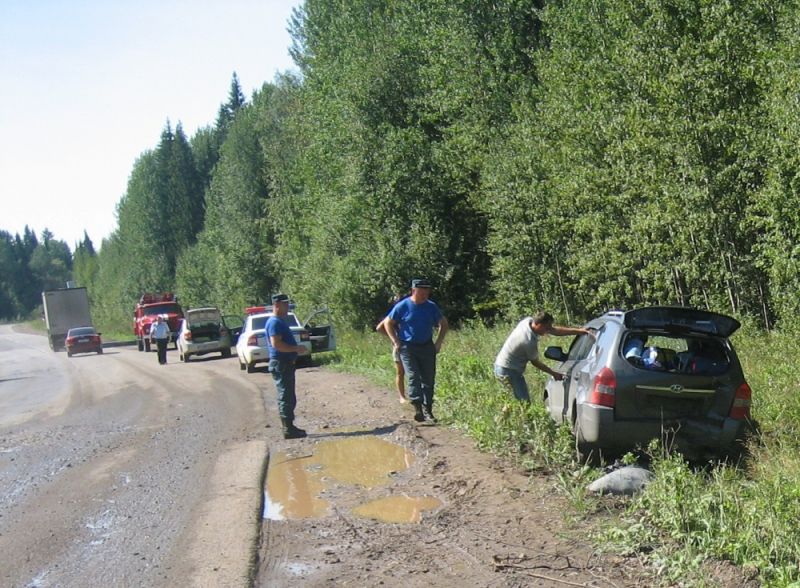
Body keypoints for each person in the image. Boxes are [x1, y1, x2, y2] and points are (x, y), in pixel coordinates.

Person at [385, 279, 448, 423]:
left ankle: (428, 409)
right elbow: (388, 322)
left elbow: (443, 324)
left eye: (427, 291)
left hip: (427, 346)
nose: (425, 294)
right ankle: (417, 408)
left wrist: (438, 342)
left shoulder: (431, 306)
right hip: (407, 347)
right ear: (414, 290)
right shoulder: (403, 306)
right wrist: (395, 341)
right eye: (422, 291)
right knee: (413, 376)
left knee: (428, 378)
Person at [494, 311, 593, 401]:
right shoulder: (528, 341)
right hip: (509, 370)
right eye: (546, 328)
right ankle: (516, 415)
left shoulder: (528, 321)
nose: (548, 330)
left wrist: (579, 331)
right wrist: (554, 373)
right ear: (539, 324)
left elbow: (555, 330)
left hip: (501, 365)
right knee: (523, 402)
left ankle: (504, 415)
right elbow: (536, 363)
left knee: (513, 401)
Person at [266, 293, 310, 439]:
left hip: (284, 363)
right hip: (281, 363)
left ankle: (290, 427)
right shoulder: (275, 322)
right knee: (285, 396)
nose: (287, 307)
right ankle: (288, 429)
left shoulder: (279, 321)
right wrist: (296, 348)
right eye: (285, 304)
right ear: (277, 305)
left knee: (288, 395)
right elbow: (276, 344)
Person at [375, 293, 407, 403]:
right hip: (399, 346)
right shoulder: (393, 315)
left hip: (407, 345)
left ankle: (411, 396)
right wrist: (394, 339)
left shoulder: (408, 312)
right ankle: (402, 397)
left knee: (407, 372)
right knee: (400, 372)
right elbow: (379, 328)